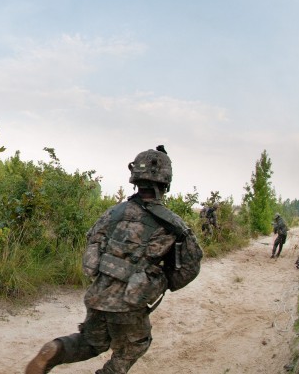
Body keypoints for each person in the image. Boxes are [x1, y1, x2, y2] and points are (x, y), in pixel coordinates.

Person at [25, 145, 202, 374]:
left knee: (92, 341)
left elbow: (92, 241)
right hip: (131, 301)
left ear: (135, 179)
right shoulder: (173, 224)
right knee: (135, 345)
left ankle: (56, 349)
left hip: (98, 293)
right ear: (165, 181)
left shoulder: (114, 212)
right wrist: (162, 281)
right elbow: (190, 267)